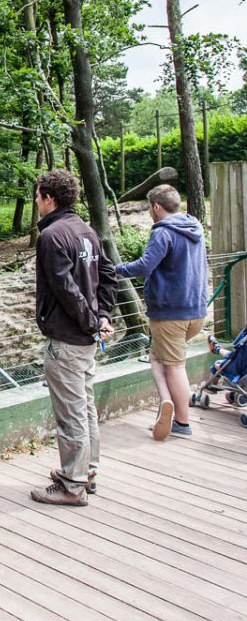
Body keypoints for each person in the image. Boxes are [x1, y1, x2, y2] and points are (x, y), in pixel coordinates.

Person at [30, 170, 117, 507]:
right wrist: (103, 317)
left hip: (68, 338)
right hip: (85, 340)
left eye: (38, 195)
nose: (36, 200)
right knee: (86, 407)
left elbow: (67, 291)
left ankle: (72, 484)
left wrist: (93, 322)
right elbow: (107, 276)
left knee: (70, 413)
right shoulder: (86, 231)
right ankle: (86, 470)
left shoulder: (51, 236)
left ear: (49, 198)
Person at [115, 184, 208, 440]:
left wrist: (115, 269)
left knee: (175, 365)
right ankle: (166, 406)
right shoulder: (194, 227)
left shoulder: (163, 233)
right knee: (159, 357)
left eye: (148, 207)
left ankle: (181, 420)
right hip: (197, 311)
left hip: (170, 314)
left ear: (156, 207)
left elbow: (145, 266)